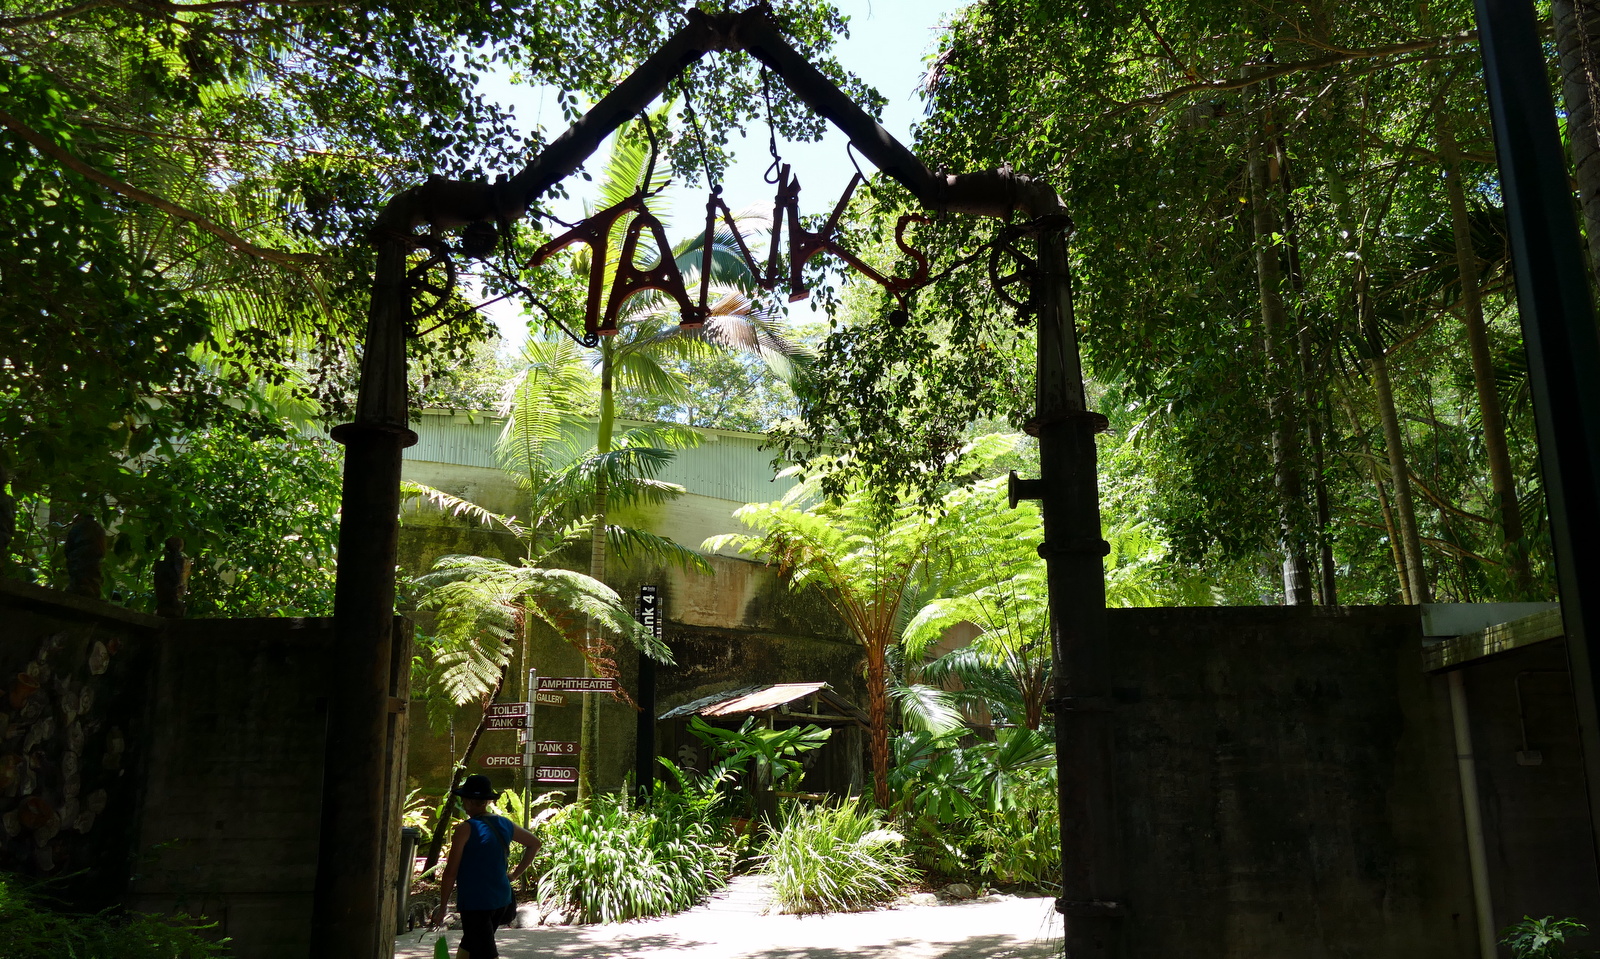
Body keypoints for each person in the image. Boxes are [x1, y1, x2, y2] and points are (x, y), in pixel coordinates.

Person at [431, 775, 539, 959]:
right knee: (471, 945)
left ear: (469, 801)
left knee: (486, 952)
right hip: (501, 900)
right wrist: (513, 875)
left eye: (464, 798)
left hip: (476, 903)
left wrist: (442, 908)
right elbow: (534, 844)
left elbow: (450, 872)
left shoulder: (465, 829)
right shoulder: (505, 823)